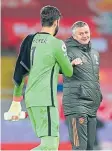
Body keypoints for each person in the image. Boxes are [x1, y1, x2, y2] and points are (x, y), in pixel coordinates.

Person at [7, 5, 74, 150]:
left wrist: (16, 100)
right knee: (49, 146)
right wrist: (69, 62)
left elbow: (20, 70)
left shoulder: (29, 40)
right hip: (46, 100)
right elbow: (68, 72)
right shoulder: (56, 44)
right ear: (56, 22)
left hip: (31, 98)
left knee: (52, 144)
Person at [62, 21, 103, 150]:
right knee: (80, 147)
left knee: (91, 147)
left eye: (86, 32)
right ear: (74, 36)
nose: (85, 35)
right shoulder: (66, 50)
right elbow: (57, 68)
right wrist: (70, 64)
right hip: (76, 104)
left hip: (92, 106)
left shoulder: (95, 53)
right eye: (81, 33)